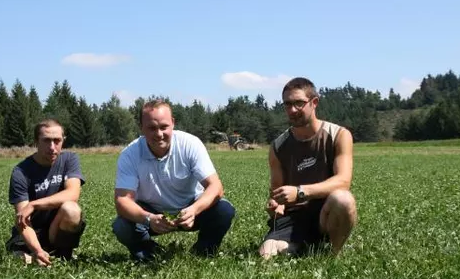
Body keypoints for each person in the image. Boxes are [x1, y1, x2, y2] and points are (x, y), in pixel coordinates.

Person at [112, 98, 236, 261]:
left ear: (173, 123)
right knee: (121, 226)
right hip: (151, 212)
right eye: (151, 128)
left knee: (224, 210)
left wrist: (194, 210)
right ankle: (150, 252)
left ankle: (202, 251)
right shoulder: (130, 154)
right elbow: (122, 201)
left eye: (164, 127)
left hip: (190, 207)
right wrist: (148, 218)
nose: (159, 134)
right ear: (141, 127)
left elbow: (216, 187)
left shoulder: (190, 144)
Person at [259, 77, 357, 259]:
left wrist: (301, 192)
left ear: (314, 103)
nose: (292, 110)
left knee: (343, 199)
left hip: (325, 213)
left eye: (299, 103)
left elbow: (343, 181)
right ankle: (303, 245)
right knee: (266, 254)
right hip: (293, 218)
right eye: (287, 104)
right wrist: (275, 205)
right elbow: (276, 193)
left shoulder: (338, 135)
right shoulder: (278, 146)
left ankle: (333, 255)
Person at [6, 119, 86, 266]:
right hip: (31, 232)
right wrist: (37, 250)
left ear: (63, 140)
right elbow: (23, 220)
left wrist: (35, 205)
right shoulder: (21, 172)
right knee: (24, 261)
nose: (52, 147)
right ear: (36, 141)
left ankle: (62, 255)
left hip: (55, 229)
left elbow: (73, 193)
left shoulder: (69, 159)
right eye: (46, 140)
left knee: (72, 209)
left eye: (57, 141)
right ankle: (35, 253)